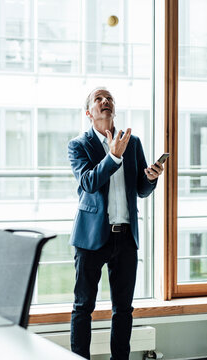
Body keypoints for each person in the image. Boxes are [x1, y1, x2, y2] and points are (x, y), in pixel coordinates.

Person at [67, 87, 164, 360]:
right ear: (89, 113)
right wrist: (112, 157)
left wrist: (151, 177)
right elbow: (88, 182)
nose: (105, 101)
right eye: (98, 98)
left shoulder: (133, 143)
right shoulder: (78, 145)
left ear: (114, 109)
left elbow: (141, 190)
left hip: (126, 237)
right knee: (83, 306)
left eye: (109, 98)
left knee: (124, 309)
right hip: (91, 237)